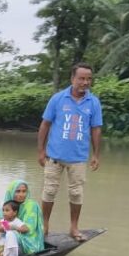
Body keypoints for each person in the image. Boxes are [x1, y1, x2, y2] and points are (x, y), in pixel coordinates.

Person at [38, 62, 103, 242]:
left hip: (78, 158)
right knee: (49, 190)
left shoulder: (93, 102)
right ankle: (44, 224)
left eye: (89, 79)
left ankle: (74, 227)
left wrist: (96, 155)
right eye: (81, 78)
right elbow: (45, 124)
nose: (85, 82)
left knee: (76, 193)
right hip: (54, 156)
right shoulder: (58, 99)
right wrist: (41, 151)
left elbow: (96, 129)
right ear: (72, 78)